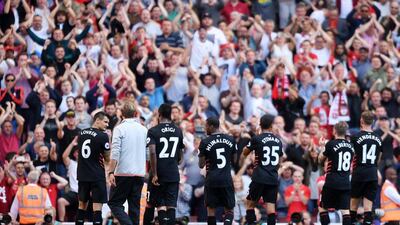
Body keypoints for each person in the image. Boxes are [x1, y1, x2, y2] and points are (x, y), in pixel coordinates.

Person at [108, 101, 148, 225]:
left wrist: (110, 171)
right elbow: (147, 153)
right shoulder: (143, 129)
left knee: (114, 203)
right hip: (139, 173)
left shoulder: (119, 129)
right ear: (136, 113)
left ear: (121, 114)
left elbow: (115, 152)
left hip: (122, 173)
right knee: (134, 208)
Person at [241, 114, 283, 225]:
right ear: (271, 126)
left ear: (260, 125)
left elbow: (245, 153)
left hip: (259, 176)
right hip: (272, 177)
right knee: (271, 208)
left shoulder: (257, 138)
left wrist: (254, 139)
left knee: (249, 204)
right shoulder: (278, 141)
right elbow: (280, 160)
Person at [147, 103, 185, 225]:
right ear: (170, 115)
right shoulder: (178, 131)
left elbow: (152, 152)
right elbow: (180, 156)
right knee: (171, 206)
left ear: (159, 114)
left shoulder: (153, 130)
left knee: (160, 205)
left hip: (159, 172)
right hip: (173, 172)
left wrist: (155, 173)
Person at [198, 117, 237, 225]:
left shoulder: (205, 141)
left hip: (212, 180)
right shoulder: (231, 139)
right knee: (229, 210)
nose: (204, 128)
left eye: (205, 125)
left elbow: (201, 164)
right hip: (226, 179)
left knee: (211, 210)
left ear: (211, 126)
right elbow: (234, 160)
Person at [75, 112, 110, 225]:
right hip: (96, 175)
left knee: (81, 206)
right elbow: (107, 157)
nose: (107, 125)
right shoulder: (103, 136)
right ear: (97, 120)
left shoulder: (81, 133)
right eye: (105, 122)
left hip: (82, 174)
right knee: (97, 208)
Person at [318, 121, 354, 225]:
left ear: (334, 131)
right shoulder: (351, 146)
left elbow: (320, 160)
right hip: (345, 183)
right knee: (345, 210)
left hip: (332, 181)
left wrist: (322, 147)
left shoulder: (331, 144)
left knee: (322, 207)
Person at [350, 110, 383, 225]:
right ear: (373, 121)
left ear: (361, 121)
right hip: (372, 173)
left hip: (359, 173)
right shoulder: (378, 138)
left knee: (353, 205)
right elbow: (379, 157)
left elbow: (351, 156)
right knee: (368, 208)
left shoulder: (355, 137)